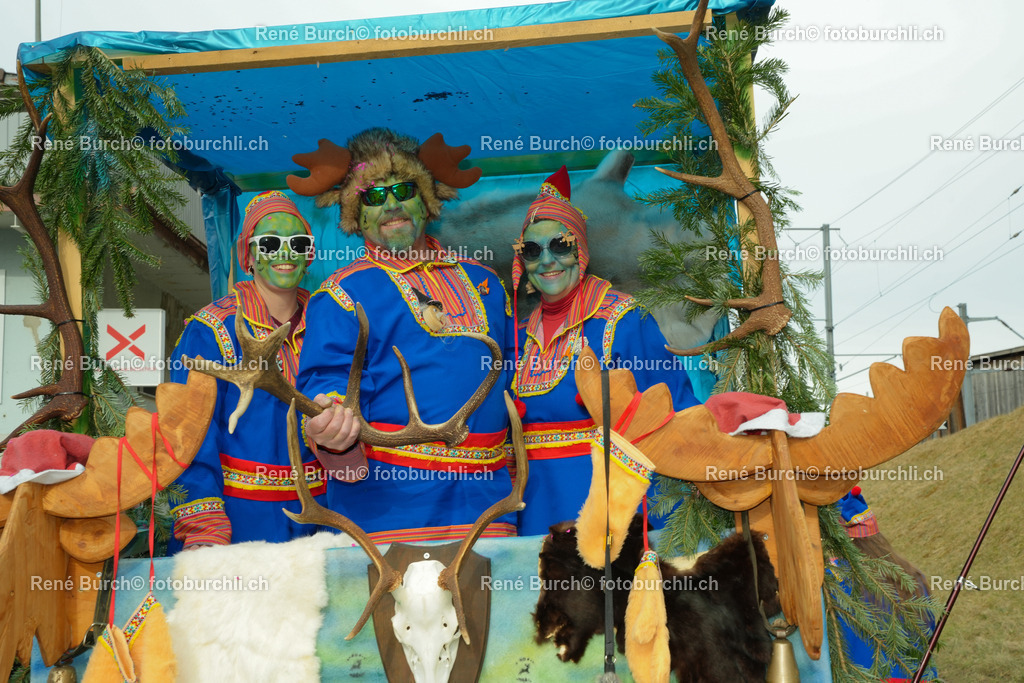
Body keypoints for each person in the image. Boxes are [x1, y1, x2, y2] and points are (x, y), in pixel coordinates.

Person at [295, 128, 516, 544]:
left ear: (428, 200)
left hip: (490, 504)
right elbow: (324, 382)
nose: (392, 205)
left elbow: (514, 378)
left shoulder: (486, 282)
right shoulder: (341, 295)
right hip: (390, 508)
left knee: (493, 607)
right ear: (354, 214)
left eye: (405, 190)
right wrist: (328, 413)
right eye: (373, 196)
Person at [510, 167, 700, 536]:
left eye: (560, 245)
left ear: (580, 250)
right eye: (532, 250)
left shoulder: (624, 320)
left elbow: (671, 411)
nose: (547, 260)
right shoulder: (516, 337)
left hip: (608, 508)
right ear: (523, 263)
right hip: (532, 512)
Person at [169, 190, 325, 549]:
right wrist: (204, 524)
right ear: (248, 256)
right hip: (239, 521)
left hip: (321, 519)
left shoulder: (330, 321)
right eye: (269, 243)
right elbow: (187, 435)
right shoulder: (210, 329)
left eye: (297, 243)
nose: (285, 253)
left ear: (309, 254)